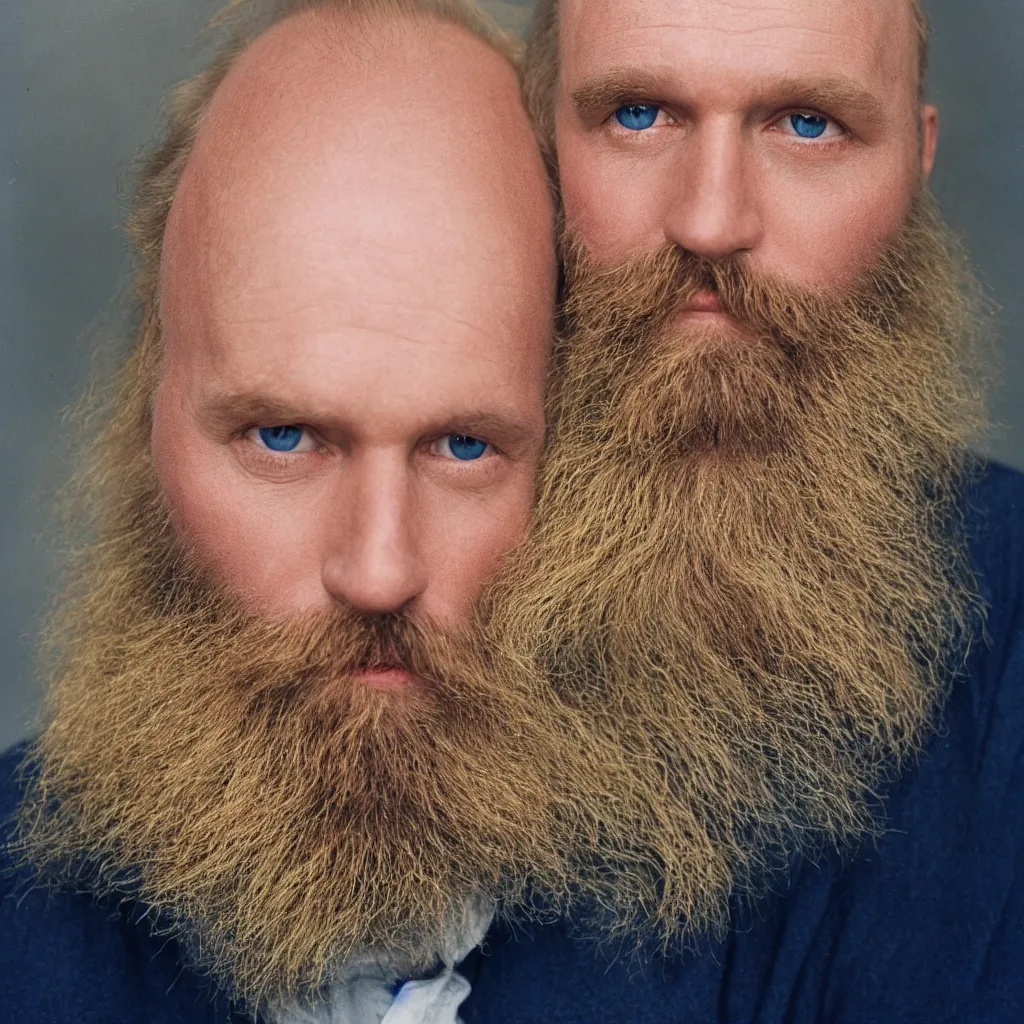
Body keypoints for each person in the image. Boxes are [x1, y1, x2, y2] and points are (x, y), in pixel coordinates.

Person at [456, 0, 1023, 1020]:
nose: (711, 219)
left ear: (915, 160)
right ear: (540, 144)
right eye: (637, 114)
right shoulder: (368, 589)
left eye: (807, 124)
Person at [0, 1, 559, 1021]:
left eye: (465, 447)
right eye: (285, 439)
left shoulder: (787, 932)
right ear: (146, 424)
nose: (379, 567)